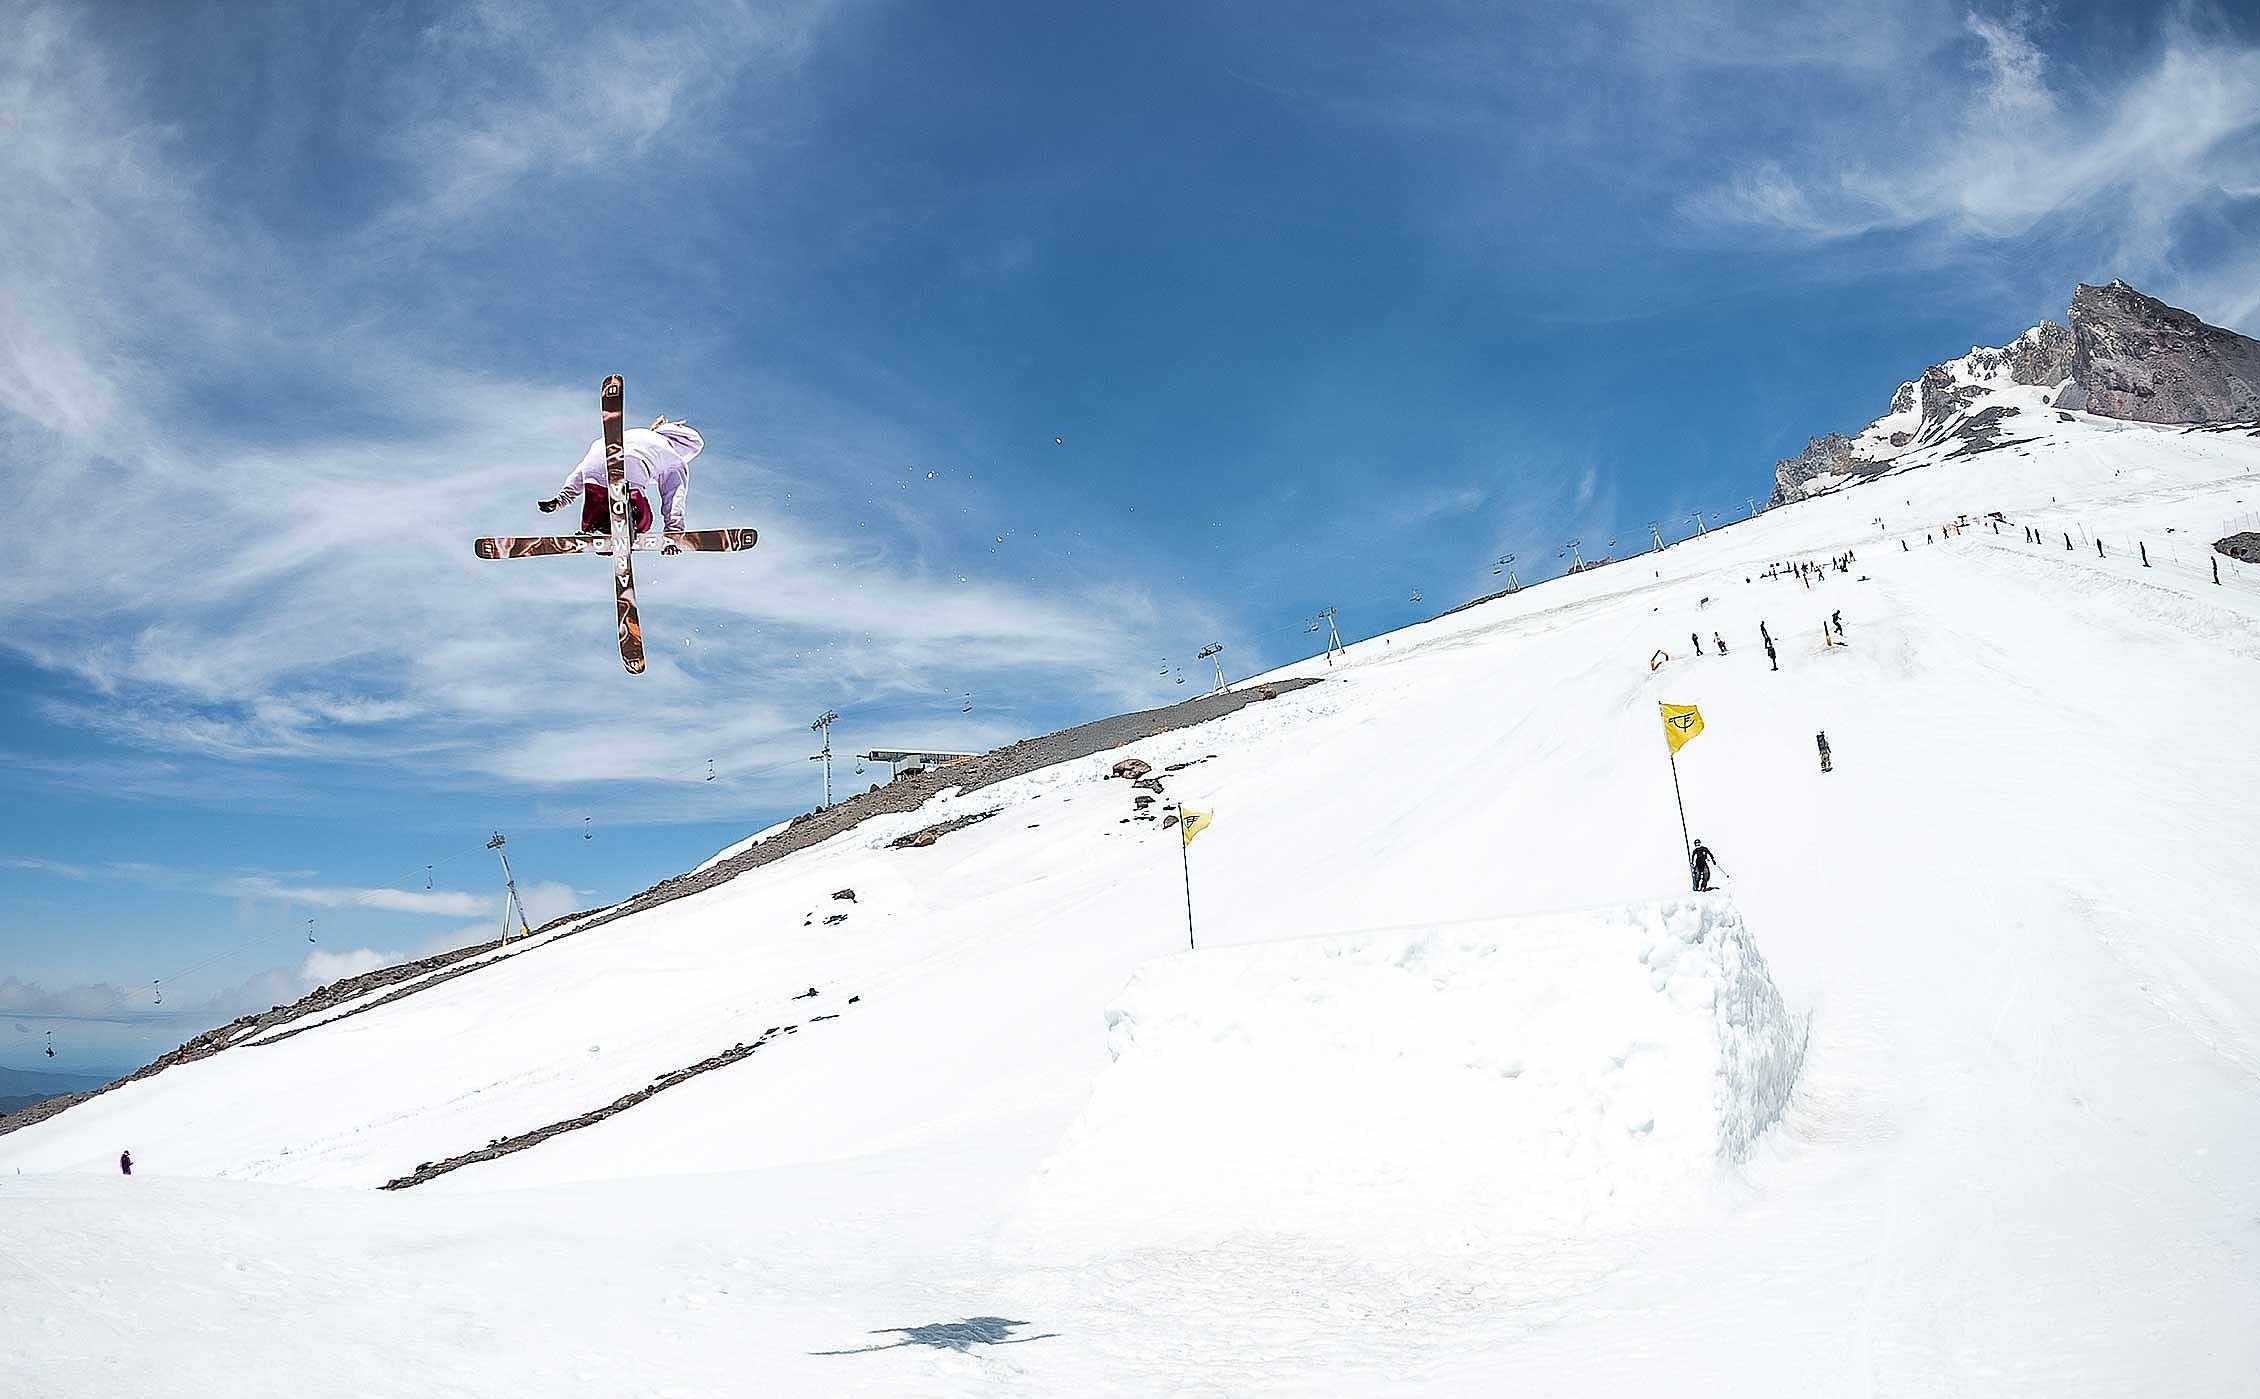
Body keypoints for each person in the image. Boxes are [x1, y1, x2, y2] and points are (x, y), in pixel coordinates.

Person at [538, 417, 704, 547]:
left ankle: (598, 528)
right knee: (644, 519)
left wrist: (560, 500)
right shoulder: (673, 457)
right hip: (630, 470)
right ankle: (630, 518)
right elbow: (674, 497)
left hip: (596, 460)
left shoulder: (635, 434)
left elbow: (581, 471)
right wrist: (673, 534)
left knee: (597, 510)